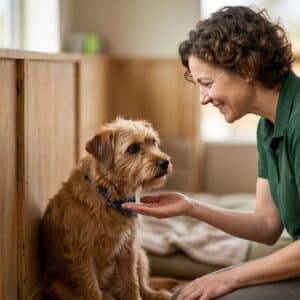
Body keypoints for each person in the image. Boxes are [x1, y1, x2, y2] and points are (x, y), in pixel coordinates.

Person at [122, 5, 300, 300]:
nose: (204, 98)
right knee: (185, 294)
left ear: (247, 68)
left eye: (207, 83)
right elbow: (267, 225)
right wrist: (190, 207)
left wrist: (233, 276)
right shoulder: (268, 127)